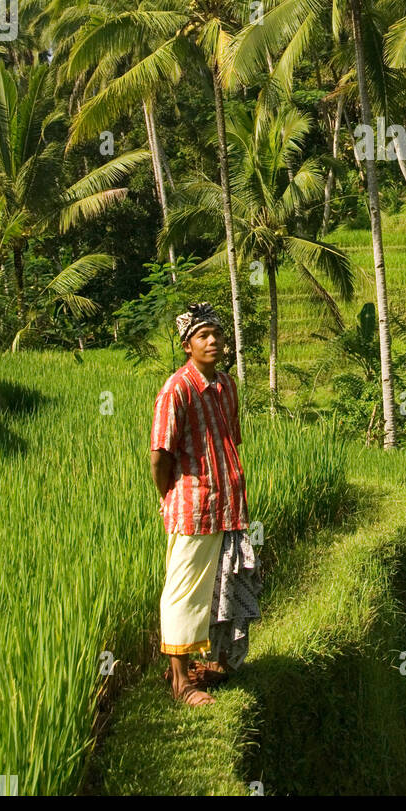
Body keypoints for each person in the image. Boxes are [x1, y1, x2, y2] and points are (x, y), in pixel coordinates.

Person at [150, 302, 263, 707]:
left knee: (224, 586)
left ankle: (212, 663)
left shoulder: (227, 386)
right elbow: (160, 455)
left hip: (229, 505)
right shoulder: (176, 389)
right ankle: (181, 684)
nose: (212, 341)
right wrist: (170, 496)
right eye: (203, 336)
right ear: (187, 345)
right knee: (184, 593)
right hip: (194, 509)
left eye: (216, 333)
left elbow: (232, 438)